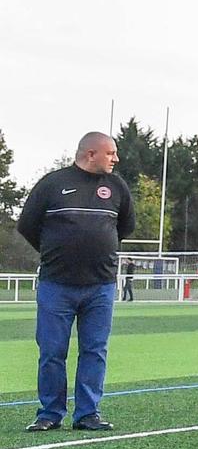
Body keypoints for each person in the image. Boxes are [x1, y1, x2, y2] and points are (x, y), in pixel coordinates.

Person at [19, 132, 134, 433]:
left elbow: (125, 226)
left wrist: (96, 249)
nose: (116, 159)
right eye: (111, 153)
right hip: (57, 285)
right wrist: (56, 253)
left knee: (95, 350)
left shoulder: (116, 186)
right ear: (91, 153)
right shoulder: (52, 184)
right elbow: (27, 225)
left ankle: (87, 414)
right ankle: (49, 413)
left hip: (101, 286)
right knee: (52, 352)